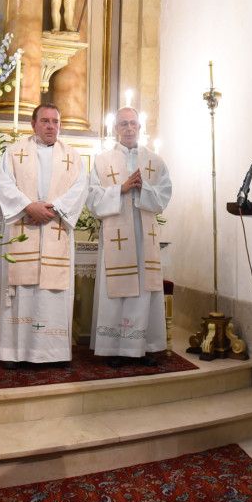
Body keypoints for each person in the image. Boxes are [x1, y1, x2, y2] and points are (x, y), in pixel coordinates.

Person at [0, 103, 87, 365]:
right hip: (24, 225)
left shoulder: (72, 156)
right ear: (33, 125)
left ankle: (51, 353)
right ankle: (13, 352)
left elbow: (80, 188)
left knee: (50, 292)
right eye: (45, 121)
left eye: (55, 121)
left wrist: (54, 210)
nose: (51, 126)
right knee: (22, 288)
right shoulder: (14, 151)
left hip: (55, 227)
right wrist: (28, 206)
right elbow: (4, 183)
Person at [86, 107, 172, 365]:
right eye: (123, 124)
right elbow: (92, 198)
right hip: (117, 237)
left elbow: (164, 196)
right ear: (115, 129)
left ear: (140, 127)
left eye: (133, 123)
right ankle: (114, 349)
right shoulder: (102, 160)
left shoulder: (155, 161)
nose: (129, 128)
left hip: (144, 236)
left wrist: (144, 188)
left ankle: (143, 347)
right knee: (118, 290)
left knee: (145, 290)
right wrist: (120, 189)